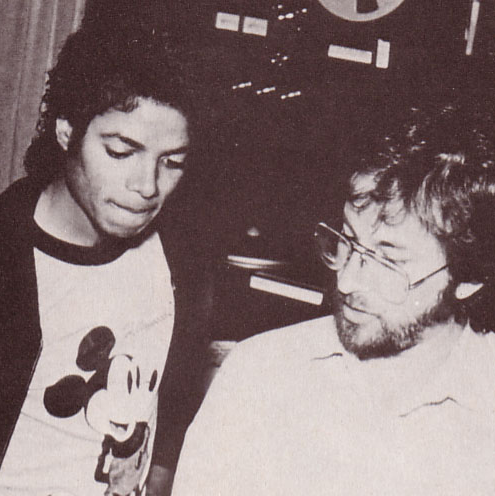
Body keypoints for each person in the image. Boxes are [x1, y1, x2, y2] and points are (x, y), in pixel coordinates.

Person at [0, 10, 216, 496]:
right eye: (121, 151)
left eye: (171, 162)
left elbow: (172, 408)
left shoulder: (180, 253)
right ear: (66, 131)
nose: (148, 186)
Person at [172, 99, 495, 494]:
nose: (347, 281)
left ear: (468, 280)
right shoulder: (262, 373)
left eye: (389, 261)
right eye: (349, 241)